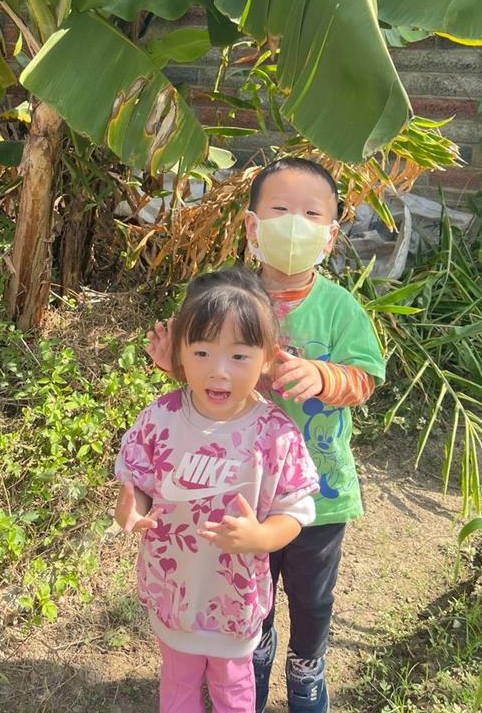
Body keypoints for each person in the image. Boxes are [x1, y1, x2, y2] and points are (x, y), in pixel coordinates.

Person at [148, 158, 386, 713]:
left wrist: (323, 377)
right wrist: (175, 365)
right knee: (249, 588)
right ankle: (252, 658)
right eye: (281, 210)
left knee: (311, 596)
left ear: (331, 235)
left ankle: (307, 667)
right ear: (253, 226)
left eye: (311, 214)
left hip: (319, 495)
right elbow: (209, 373)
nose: (295, 224)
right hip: (241, 492)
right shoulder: (228, 300)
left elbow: (365, 379)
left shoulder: (340, 309)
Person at [115, 266, 319, 713]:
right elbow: (140, 483)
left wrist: (262, 537)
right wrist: (132, 508)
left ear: (267, 359)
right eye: (202, 352)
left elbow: (295, 510)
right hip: (173, 589)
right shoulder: (161, 418)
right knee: (178, 684)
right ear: (179, 354)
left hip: (234, 599)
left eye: (239, 356)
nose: (219, 371)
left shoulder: (274, 434)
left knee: (233, 689)